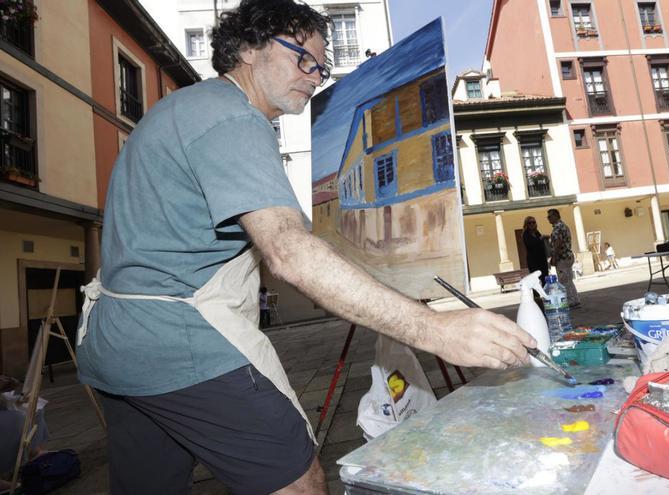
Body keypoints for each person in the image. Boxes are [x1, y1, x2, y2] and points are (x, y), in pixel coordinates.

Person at [75, 2, 536, 494]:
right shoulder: (232, 118)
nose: (315, 76)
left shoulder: (180, 107)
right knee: (297, 481)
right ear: (249, 48)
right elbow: (288, 251)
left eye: (322, 66)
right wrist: (433, 329)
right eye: (302, 58)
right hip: (179, 343)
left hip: (117, 344)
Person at [545, 208, 580, 308]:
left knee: (563, 281)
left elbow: (558, 243)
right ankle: (575, 299)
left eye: (550, 216)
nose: (548, 219)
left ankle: (571, 301)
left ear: (555, 216)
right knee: (569, 279)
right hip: (568, 256)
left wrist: (554, 257)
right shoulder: (563, 226)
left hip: (562, 258)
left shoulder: (558, 227)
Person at [521, 216, 549, 285]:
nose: (532, 224)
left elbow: (540, 244)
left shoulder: (537, 232)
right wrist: (540, 239)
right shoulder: (526, 234)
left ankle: (546, 294)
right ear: (526, 224)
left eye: (533, 222)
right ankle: (537, 295)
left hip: (542, 259)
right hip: (533, 261)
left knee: (545, 278)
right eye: (529, 223)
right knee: (535, 280)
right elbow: (530, 244)